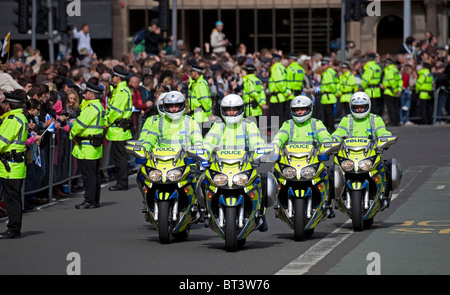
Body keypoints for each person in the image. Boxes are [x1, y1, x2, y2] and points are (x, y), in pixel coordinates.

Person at [203, 94, 268, 230]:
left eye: (234, 109)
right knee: (202, 180)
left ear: (241, 110)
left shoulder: (248, 125)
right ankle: (207, 213)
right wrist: (204, 152)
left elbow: (256, 140)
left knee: (264, 180)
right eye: (228, 110)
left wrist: (259, 150)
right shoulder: (218, 125)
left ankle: (261, 215)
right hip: (221, 167)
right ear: (222, 110)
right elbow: (209, 141)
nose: (231, 113)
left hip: (244, 166)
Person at [271, 95, 335, 217]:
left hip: (312, 162)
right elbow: (278, 138)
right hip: (291, 163)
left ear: (309, 109)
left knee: (330, 174)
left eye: (302, 109)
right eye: (296, 110)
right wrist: (274, 146)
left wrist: (327, 145)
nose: (299, 112)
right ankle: (279, 203)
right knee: (273, 174)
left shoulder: (316, 124)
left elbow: (325, 137)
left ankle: (327, 203)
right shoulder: (288, 124)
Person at [69, 82, 105, 209]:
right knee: (94, 174)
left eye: (87, 93)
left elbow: (80, 124)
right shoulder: (97, 106)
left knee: (88, 175)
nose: (84, 95)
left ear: (91, 94)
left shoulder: (91, 107)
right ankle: (94, 200)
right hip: (92, 145)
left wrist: (71, 132)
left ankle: (89, 200)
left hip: (87, 146)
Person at [0, 92, 29, 239]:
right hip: (14, 165)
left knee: (12, 199)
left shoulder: (12, 119)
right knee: (14, 197)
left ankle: (13, 229)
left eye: (4, 104)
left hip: (9, 166)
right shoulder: (21, 117)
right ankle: (14, 228)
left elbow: (1, 141)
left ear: (9, 105)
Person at [138, 91, 203, 152]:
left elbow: (198, 141)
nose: (174, 109)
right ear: (166, 107)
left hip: (185, 161)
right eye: (171, 106)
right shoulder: (158, 122)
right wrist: (143, 152)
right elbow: (148, 141)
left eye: (177, 106)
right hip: (161, 161)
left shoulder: (190, 122)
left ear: (182, 106)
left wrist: (198, 151)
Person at [104, 66, 133, 191]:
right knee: (119, 158)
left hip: (118, 130)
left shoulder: (121, 92)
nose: (112, 78)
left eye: (114, 76)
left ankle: (122, 182)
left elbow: (115, 112)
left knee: (120, 158)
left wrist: (106, 122)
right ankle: (121, 181)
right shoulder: (119, 90)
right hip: (118, 130)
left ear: (118, 77)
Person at [187, 64, 213, 136]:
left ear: (195, 72)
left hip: (201, 117)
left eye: (191, 71)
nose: (190, 73)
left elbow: (205, 101)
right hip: (195, 116)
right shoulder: (195, 83)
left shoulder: (201, 84)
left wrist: (208, 113)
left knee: (201, 139)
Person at [268, 53, 291, 128]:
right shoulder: (283, 68)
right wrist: (287, 92)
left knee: (277, 117)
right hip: (281, 97)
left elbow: (279, 83)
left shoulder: (276, 68)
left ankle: (278, 134)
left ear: (274, 60)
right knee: (281, 116)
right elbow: (287, 82)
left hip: (277, 97)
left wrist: (284, 93)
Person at [320, 57, 338, 133]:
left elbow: (330, 85)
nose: (322, 66)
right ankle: (329, 129)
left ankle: (330, 129)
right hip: (329, 97)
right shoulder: (331, 72)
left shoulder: (328, 73)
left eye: (324, 65)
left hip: (328, 97)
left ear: (327, 65)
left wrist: (335, 92)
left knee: (328, 115)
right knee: (329, 114)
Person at [382, 58, 402, 126]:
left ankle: (393, 121)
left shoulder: (389, 70)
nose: (385, 64)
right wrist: (399, 89)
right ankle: (397, 121)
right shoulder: (395, 70)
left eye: (386, 63)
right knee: (395, 107)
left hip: (389, 91)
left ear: (388, 63)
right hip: (394, 91)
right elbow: (399, 80)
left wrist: (394, 90)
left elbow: (391, 81)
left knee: (391, 107)